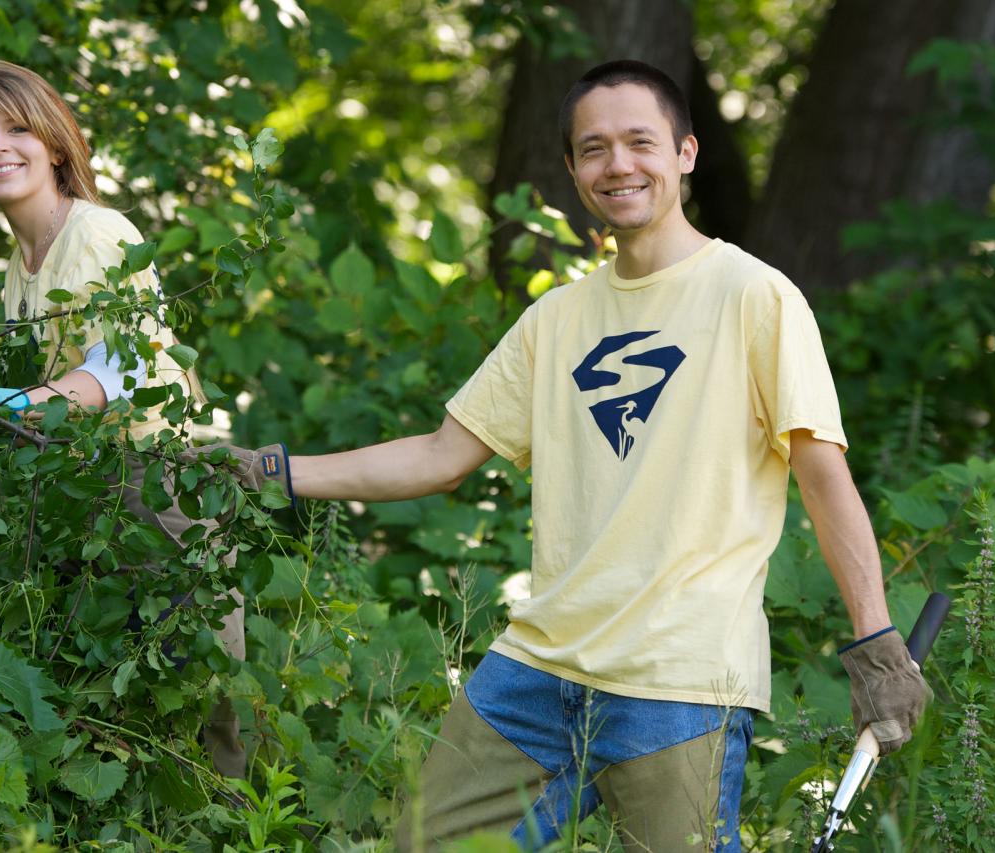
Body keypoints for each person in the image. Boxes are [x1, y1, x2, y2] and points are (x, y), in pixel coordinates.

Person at [272, 60, 931, 850]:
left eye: (639, 142)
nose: (618, 164)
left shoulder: (754, 296)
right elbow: (442, 455)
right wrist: (275, 472)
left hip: (679, 682)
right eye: (594, 148)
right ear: (573, 170)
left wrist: (876, 644)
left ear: (685, 153)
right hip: (534, 670)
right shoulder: (556, 319)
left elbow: (824, 480)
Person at [0, 59, 288, 778]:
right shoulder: (21, 261)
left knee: (209, 691)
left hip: (164, 483)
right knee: (128, 688)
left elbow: (114, 374)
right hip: (97, 481)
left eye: (17, 128)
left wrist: (3, 400)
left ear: (55, 143)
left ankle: (254, 823)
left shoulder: (93, 234)